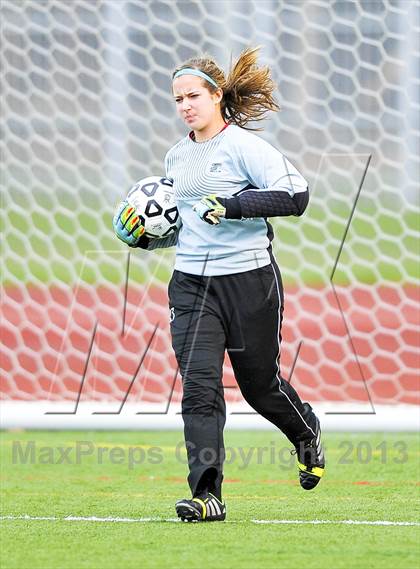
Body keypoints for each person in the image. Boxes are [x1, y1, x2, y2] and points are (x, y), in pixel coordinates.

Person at [113, 46, 325, 523]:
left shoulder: (245, 148)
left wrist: (234, 206)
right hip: (191, 287)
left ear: (216, 96)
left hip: (249, 282)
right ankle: (209, 496)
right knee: (200, 390)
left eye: (193, 96)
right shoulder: (175, 156)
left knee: (259, 387)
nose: (185, 105)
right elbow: (185, 222)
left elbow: (297, 196)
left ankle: (305, 430)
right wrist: (149, 235)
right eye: (177, 99)